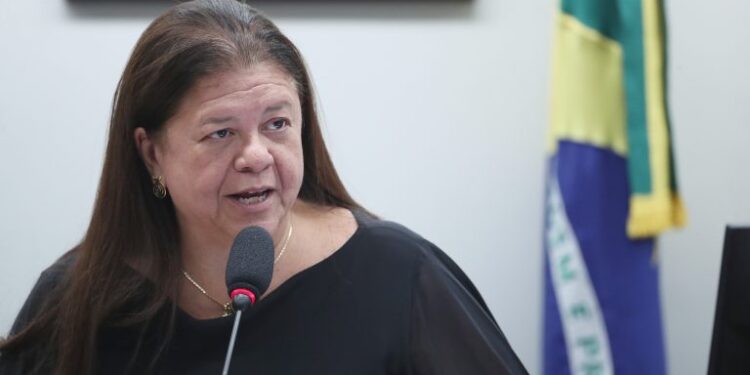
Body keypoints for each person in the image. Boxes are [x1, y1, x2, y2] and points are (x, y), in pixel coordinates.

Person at [0, 0, 528, 374]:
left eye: (277, 124)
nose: (256, 156)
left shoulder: (401, 277)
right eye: (221, 132)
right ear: (151, 152)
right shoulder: (76, 299)